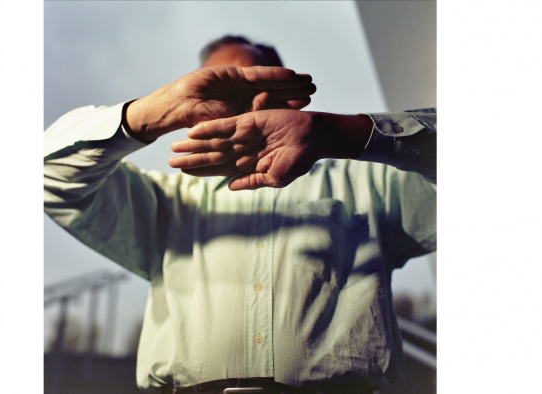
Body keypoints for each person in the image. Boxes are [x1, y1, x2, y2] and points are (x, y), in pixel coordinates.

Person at [44, 35, 436, 393]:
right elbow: (46, 176)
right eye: (221, 88)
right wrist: (153, 111)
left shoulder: (370, 186)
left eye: (257, 86)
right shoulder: (164, 201)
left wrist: (336, 132)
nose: (243, 105)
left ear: (291, 97)